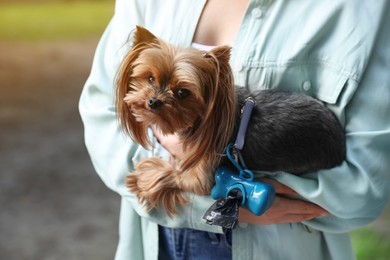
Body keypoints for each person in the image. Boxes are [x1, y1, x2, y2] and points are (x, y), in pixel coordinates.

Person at [79, 0, 390, 259]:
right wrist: (229, 206)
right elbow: (101, 119)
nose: (157, 99)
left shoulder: (362, 9)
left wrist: (189, 184)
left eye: (183, 92)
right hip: (157, 242)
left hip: (282, 246)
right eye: (148, 80)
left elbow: (364, 189)